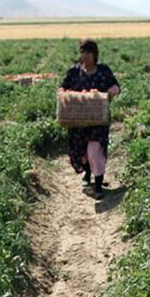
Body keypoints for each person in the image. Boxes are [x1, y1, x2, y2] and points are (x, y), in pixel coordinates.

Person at [60, 38, 120, 199]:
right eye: (82, 52)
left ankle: (98, 185)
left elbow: (115, 87)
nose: (85, 56)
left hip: (98, 120)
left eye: (88, 52)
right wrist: (64, 94)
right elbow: (63, 87)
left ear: (94, 54)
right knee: (82, 152)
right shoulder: (74, 72)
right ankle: (87, 174)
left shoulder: (103, 71)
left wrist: (108, 93)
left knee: (95, 151)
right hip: (78, 120)